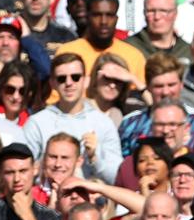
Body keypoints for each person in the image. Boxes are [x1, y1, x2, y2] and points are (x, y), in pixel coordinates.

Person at [21, 52, 122, 183]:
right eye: (61, 79)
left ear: (86, 81)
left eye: (75, 77)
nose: (69, 83)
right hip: (46, 194)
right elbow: (22, 170)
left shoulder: (103, 123)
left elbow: (118, 178)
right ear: (52, 83)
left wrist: (95, 156)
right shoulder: (37, 122)